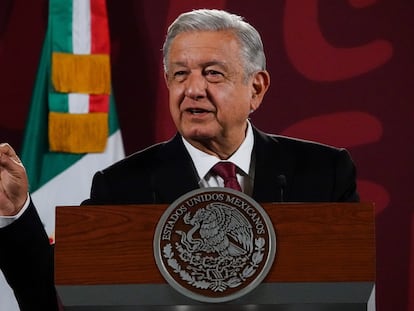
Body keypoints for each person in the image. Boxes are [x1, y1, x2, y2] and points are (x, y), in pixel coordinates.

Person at [0, 9, 359, 310]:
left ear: (257, 87)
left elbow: (352, 289)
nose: (192, 90)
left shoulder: (324, 172)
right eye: (180, 74)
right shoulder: (124, 184)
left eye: (213, 73)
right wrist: (16, 212)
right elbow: (51, 292)